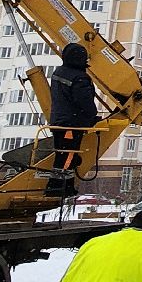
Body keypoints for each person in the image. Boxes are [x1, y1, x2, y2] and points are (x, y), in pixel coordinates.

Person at [47, 42, 99, 197]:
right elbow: (84, 101)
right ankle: (59, 187)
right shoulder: (79, 78)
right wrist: (92, 116)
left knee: (64, 155)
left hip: (59, 121)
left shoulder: (59, 72)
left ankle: (64, 185)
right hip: (72, 123)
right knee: (68, 156)